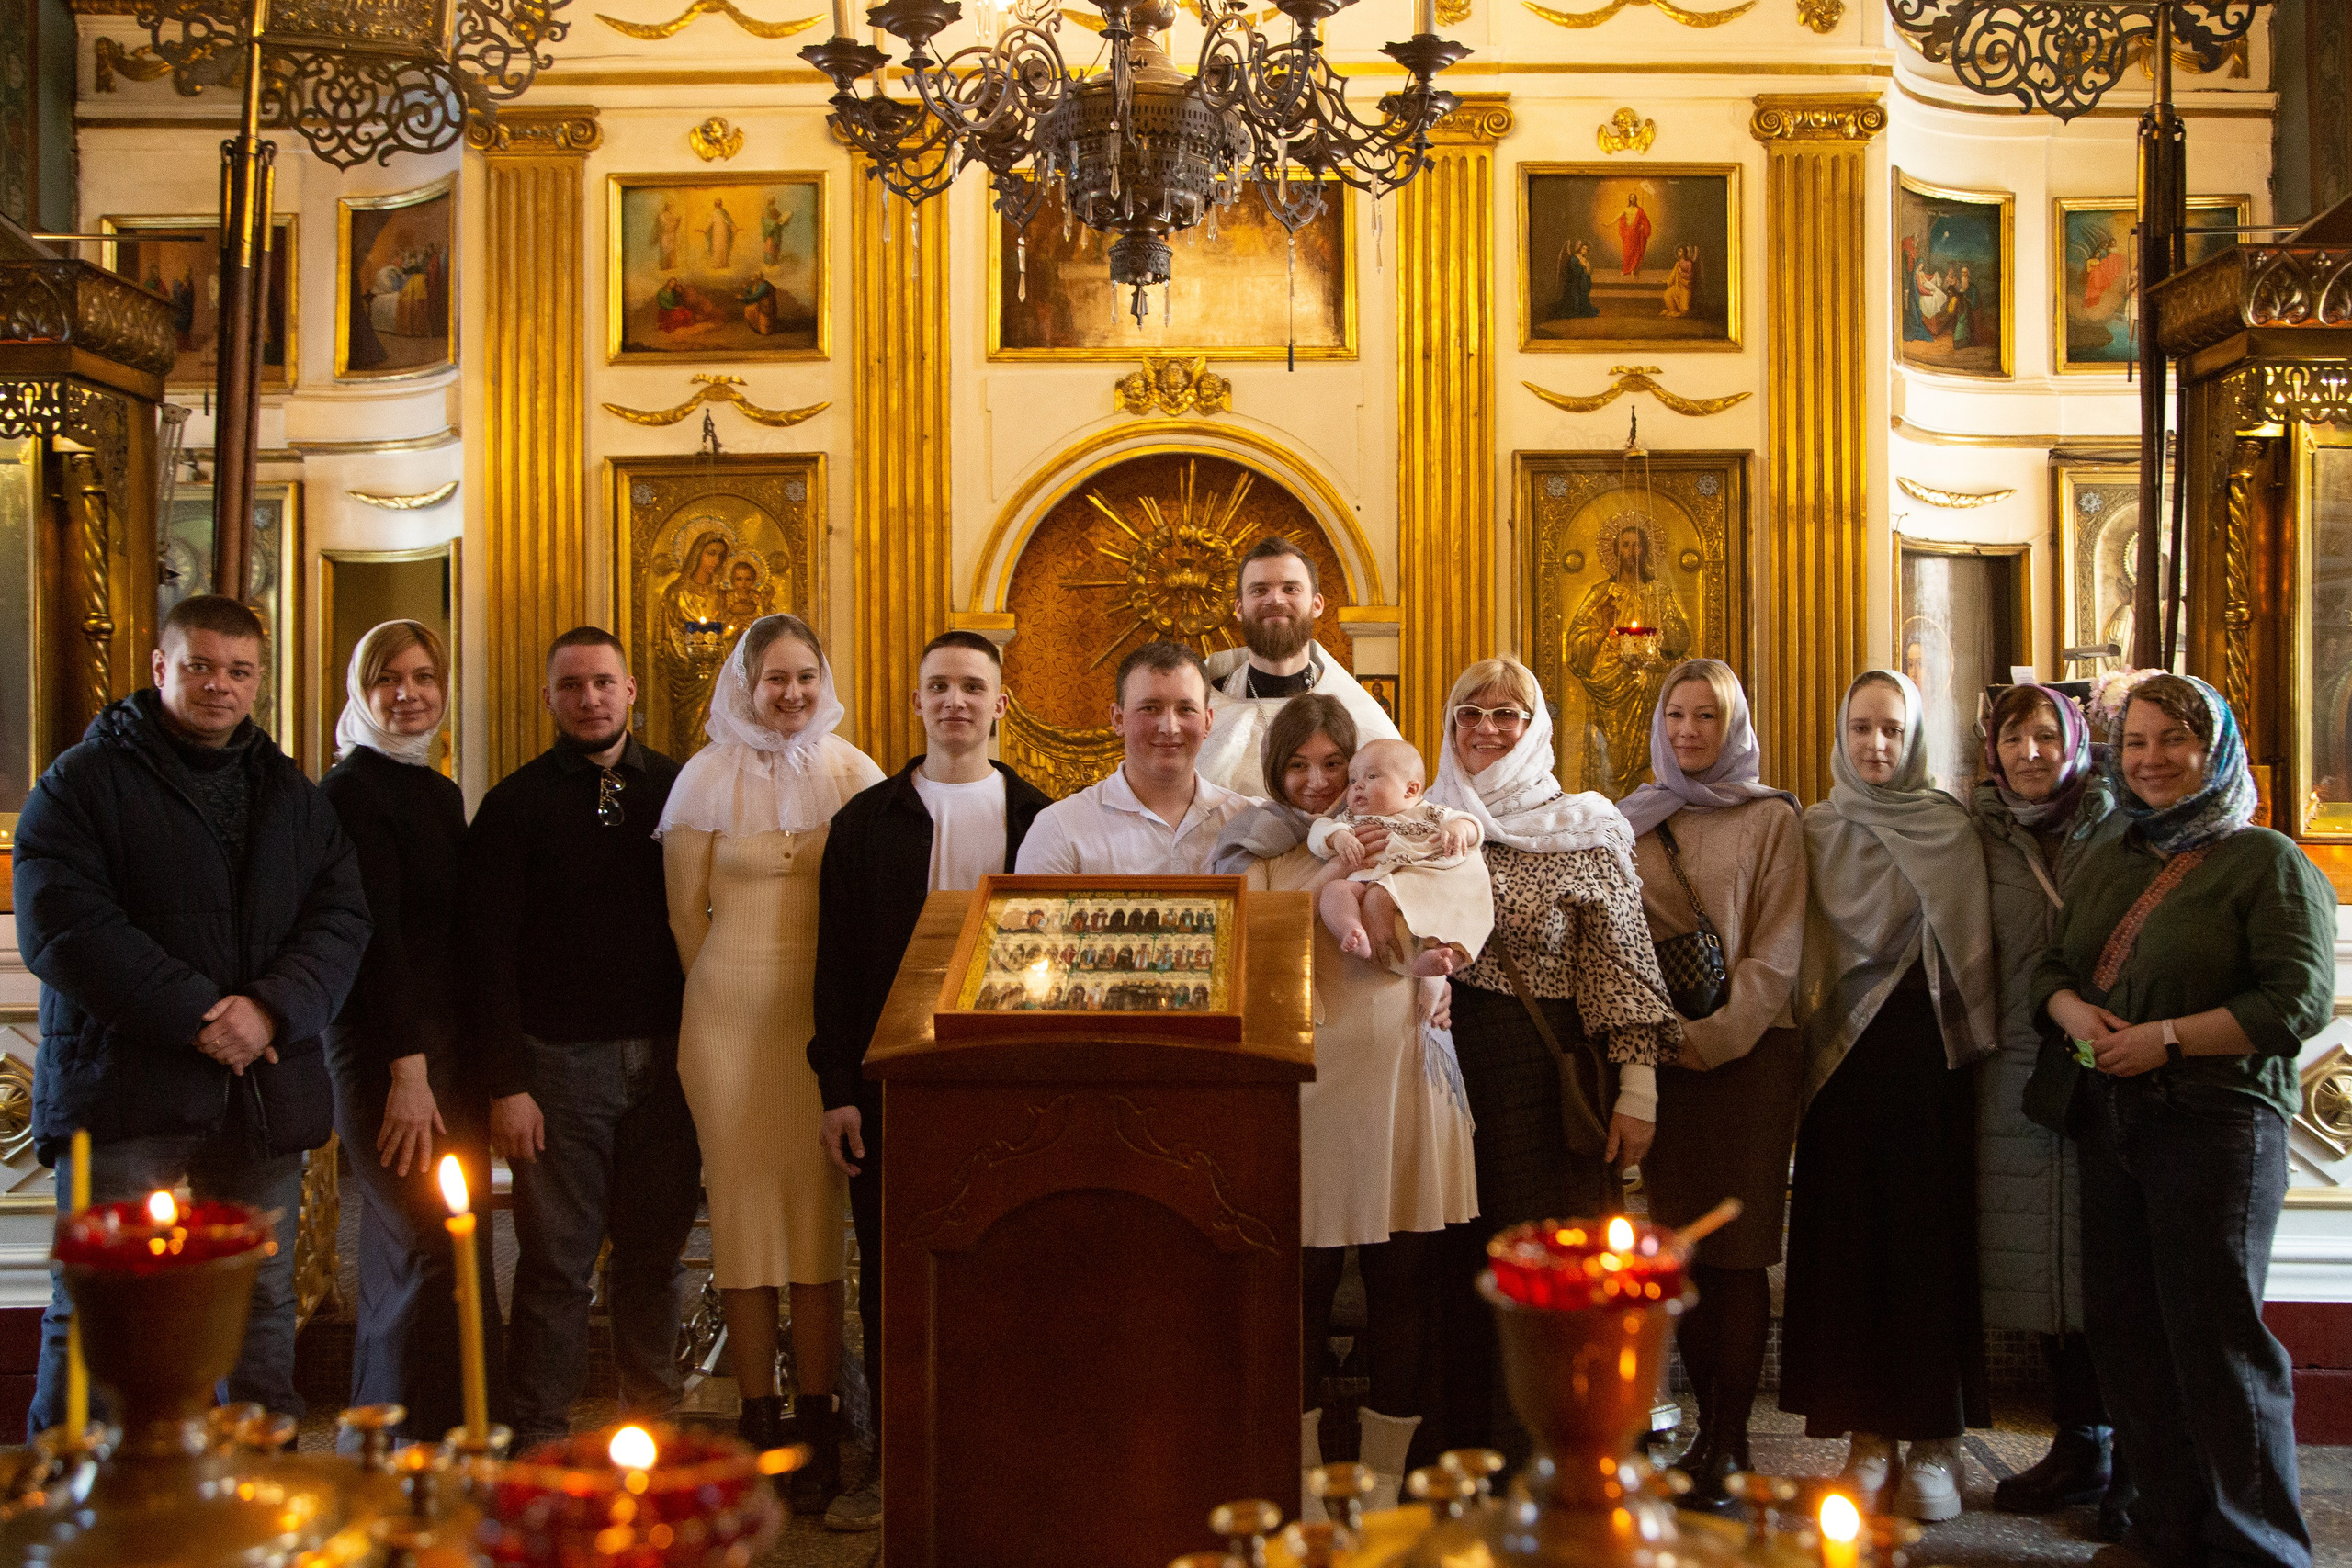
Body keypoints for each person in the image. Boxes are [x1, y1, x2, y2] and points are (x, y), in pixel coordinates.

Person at [16, 594, 371, 1436]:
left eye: (239, 670)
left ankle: (253, 1500)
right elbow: (63, 923)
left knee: (259, 1298)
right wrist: (200, 1016)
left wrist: (271, 1010)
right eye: (201, 666)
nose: (220, 685)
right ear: (160, 668)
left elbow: (341, 916)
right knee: (100, 1296)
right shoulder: (82, 782)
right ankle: (77, 1503)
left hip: (260, 1087)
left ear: (258, 680)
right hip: (125, 1084)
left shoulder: (291, 793)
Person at [2037, 674, 2333, 1568]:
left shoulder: (2266, 860)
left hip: (2215, 1127)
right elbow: (2050, 967)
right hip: (2110, 1121)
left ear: (2216, 751)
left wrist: (2167, 1039)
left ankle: (2255, 1547)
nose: (2152, 760)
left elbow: (2296, 1002)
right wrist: (2071, 1014)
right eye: (2134, 742)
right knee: (2127, 1334)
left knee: (2217, 1344)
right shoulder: (2112, 855)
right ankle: (2161, 1529)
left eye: (2174, 741)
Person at [1212, 694, 1477, 1517]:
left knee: (1404, 1290)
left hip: (1402, 1082)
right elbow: (1254, 949)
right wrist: (1332, 872)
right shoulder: (1256, 853)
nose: (1321, 780)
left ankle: (1386, 1481)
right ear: (1276, 772)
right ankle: (1304, 1482)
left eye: (1336, 763)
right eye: (1301, 765)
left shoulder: (1410, 835)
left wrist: (1440, 963)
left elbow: (1456, 916)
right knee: (1302, 1292)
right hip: (1305, 1095)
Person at [812, 629, 1054, 1531]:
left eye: (972, 687)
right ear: (915, 702)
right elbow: (834, 971)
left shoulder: (1041, 819)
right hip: (890, 1082)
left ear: (1000, 704)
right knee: (891, 1272)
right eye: (938, 686)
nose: (954, 701)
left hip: (1007, 1078)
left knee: (1015, 1261)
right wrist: (837, 1086)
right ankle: (895, 1460)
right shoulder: (866, 823)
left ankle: (1011, 1448)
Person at [1422, 657, 1680, 1461]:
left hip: (1543, 1082)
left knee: (1542, 1277)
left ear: (1537, 730)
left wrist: (1637, 1086)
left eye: (1509, 714)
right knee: (1452, 1274)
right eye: (1472, 713)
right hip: (1439, 1079)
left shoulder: (1584, 827)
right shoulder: (1419, 821)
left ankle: (1552, 1464)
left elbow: (1622, 964)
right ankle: (1462, 1463)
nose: (1489, 729)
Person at [659, 615, 883, 1515]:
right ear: (745, 683)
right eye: (773, 679)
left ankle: (823, 1424)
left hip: (819, 1033)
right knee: (749, 1225)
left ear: (820, 680)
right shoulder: (704, 777)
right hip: (725, 1027)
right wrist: (725, 998)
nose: (789, 694)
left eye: (803, 677)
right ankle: (760, 1425)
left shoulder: (854, 771)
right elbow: (683, 920)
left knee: (817, 1224)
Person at [466, 627, 703, 1454]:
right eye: (572, 685)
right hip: (558, 1070)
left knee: (654, 1254)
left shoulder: (681, 790)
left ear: (631, 689)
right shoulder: (513, 806)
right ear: (549, 699)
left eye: (604, 682)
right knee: (556, 1263)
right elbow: (486, 958)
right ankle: (540, 1429)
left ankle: (652, 1416)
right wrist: (507, 1082)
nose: (591, 698)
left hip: (670, 1062)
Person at [1781, 670, 1997, 1522]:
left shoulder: (1949, 828)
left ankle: (1935, 1440)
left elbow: (1978, 951)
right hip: (1840, 1066)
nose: (1875, 745)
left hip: (1930, 1064)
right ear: (1842, 733)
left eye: (1892, 730)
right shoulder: (1817, 828)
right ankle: (1865, 1438)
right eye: (1862, 727)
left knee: (1928, 1247)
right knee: (1848, 1249)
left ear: (1914, 740)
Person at [1613, 659, 1804, 1511]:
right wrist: (1654, 1047)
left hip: (1750, 1062)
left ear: (1734, 728)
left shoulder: (1772, 819)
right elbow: (1616, 943)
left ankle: (1732, 1438)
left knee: (1738, 1255)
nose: (1690, 733)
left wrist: (1709, 1040)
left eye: (1708, 718)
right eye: (1678, 716)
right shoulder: (1629, 819)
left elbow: (1778, 954)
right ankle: (1699, 1432)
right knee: (1683, 1252)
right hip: (1662, 1065)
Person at [318, 619, 504, 1445]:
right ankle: (412, 1445)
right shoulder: (350, 790)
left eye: (424, 676)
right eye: (389, 677)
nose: (409, 692)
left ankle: (442, 1431)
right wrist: (408, 1068)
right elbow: (375, 938)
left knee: (441, 1240)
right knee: (424, 1241)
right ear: (362, 691)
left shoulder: (435, 788)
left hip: (445, 1049)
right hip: (389, 1051)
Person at [1970, 684, 2128, 1527]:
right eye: (2013, 737)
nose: (2030, 752)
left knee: (2112, 1256)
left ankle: (2133, 1446)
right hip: (2019, 1067)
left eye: (2045, 736)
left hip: (2116, 1059)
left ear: (2077, 744)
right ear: (1991, 750)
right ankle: (2080, 1440)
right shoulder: (1979, 834)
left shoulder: (2124, 826)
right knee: (2037, 1258)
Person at [1016, 641, 1251, 875]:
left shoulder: (1246, 821)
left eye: (1186, 709)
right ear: (1118, 719)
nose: (1169, 727)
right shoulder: (1060, 829)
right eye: (1150, 708)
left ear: (1208, 721)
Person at [1194, 536, 1397, 797]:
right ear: (1239, 608)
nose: (1275, 599)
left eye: (1290, 589)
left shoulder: (1359, 715)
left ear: (1317, 604)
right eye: (1259, 590)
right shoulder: (1204, 710)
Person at [1306, 739, 1489, 981]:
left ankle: (1444, 959)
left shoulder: (1429, 812)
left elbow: (1470, 823)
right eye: (1353, 780)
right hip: (1367, 881)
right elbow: (1319, 829)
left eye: (1372, 777)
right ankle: (1351, 929)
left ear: (1410, 790)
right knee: (1335, 891)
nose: (1358, 786)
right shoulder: (1349, 818)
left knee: (1463, 916)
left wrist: (1459, 828)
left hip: (1419, 879)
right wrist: (1338, 837)